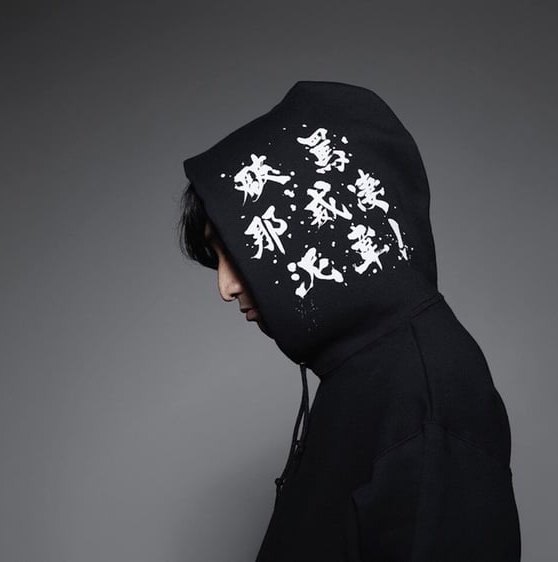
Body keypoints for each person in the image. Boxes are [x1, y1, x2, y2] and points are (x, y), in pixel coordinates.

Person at [177, 80, 522, 561]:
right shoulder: (365, 370)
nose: (225, 287)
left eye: (233, 251)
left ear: (310, 225)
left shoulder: (424, 394)